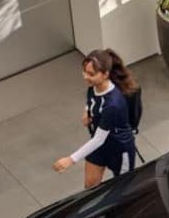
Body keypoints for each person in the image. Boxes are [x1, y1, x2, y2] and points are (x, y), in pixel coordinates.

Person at [52, 48, 141, 188]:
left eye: (91, 74)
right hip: (100, 147)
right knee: (90, 186)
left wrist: (71, 160)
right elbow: (92, 99)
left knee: (122, 190)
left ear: (105, 74)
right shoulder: (94, 86)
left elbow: (99, 139)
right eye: (84, 72)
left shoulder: (113, 105)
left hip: (119, 150)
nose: (85, 76)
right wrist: (87, 111)